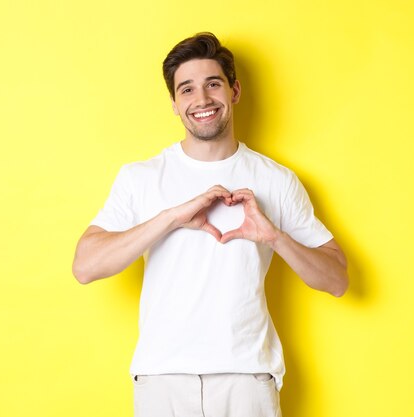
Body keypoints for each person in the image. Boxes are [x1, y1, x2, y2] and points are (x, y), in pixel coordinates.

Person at [72, 32, 348, 417]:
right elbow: (85, 266)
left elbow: (336, 280)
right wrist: (170, 217)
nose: (201, 100)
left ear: (234, 91)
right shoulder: (141, 177)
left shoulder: (276, 179)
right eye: (186, 89)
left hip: (247, 378)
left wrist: (274, 236)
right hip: (162, 378)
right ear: (174, 103)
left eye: (212, 84)